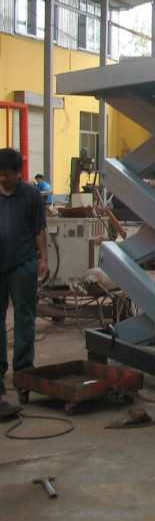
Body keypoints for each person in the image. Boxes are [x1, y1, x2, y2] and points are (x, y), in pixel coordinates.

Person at [0, 149, 49, 397]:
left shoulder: (31, 195)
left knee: (25, 318)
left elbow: (39, 230)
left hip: (23, 263)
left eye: (7, 174)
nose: (2, 179)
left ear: (19, 172)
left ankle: (23, 370)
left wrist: (44, 259)